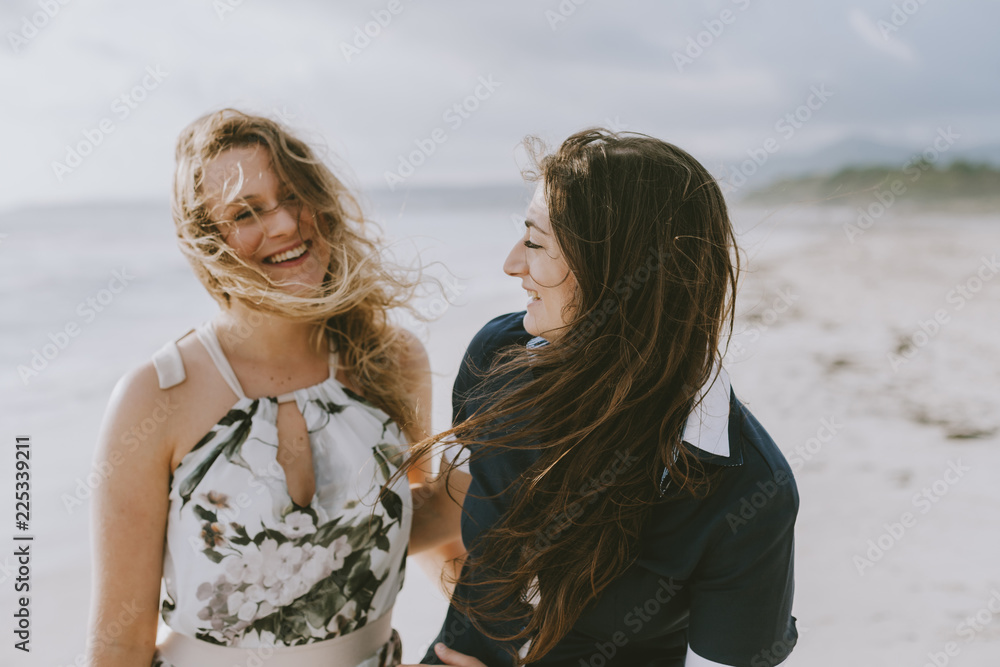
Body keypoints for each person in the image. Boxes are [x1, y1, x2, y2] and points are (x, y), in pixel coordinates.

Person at [401, 129, 799, 667]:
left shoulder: (748, 491)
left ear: (614, 269)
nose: (511, 263)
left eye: (536, 244)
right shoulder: (500, 353)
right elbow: (455, 512)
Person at [86, 109, 464, 667]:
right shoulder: (155, 397)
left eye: (293, 195)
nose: (285, 223)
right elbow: (118, 643)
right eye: (246, 212)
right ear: (206, 242)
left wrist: (492, 643)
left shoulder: (390, 360)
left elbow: (405, 527)